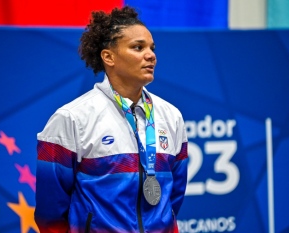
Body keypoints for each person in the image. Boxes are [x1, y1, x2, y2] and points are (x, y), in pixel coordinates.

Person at [35, 6, 188, 233]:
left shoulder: (171, 116)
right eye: (138, 47)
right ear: (109, 57)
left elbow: (174, 195)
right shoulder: (72, 118)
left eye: (152, 48)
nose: (151, 55)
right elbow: (51, 212)